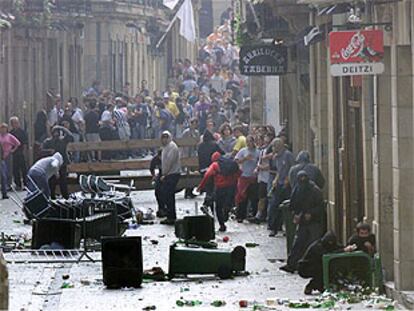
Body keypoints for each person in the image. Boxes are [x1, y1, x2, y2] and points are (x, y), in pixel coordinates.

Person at [280, 171, 324, 273]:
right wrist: (296, 214)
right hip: (303, 221)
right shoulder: (297, 189)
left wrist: (311, 213)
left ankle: (314, 267)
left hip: (314, 221)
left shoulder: (315, 190)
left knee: (314, 244)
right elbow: (293, 203)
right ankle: (292, 264)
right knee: (298, 243)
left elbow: (320, 207)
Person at [197, 151, 240, 232]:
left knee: (218, 207)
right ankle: (227, 211)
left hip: (220, 187)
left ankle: (222, 225)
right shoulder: (230, 163)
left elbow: (207, 175)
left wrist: (201, 186)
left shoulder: (215, 165)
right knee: (228, 203)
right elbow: (239, 172)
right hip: (231, 187)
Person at [267, 138, 295, 237]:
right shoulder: (277, 157)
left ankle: (288, 228)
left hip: (287, 185)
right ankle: (274, 228)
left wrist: (288, 178)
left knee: (287, 207)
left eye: (274, 146)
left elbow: (292, 168)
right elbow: (279, 170)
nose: (273, 149)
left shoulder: (287, 155)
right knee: (275, 206)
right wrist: (276, 179)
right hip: (279, 184)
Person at [42, 125, 74, 199]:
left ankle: (65, 197)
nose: (56, 134)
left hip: (62, 163)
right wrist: (49, 151)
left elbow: (71, 136)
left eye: (57, 132)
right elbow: (42, 151)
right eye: (54, 132)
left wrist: (62, 128)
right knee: (52, 181)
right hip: (51, 164)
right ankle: (52, 196)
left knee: (63, 181)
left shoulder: (63, 140)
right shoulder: (47, 141)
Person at [235, 135, 260, 222]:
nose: (249, 144)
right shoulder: (243, 151)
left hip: (253, 177)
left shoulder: (258, 152)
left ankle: (253, 215)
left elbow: (259, 162)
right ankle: (240, 215)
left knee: (253, 197)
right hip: (244, 176)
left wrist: (257, 169)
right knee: (242, 196)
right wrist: (245, 159)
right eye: (247, 142)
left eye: (250, 142)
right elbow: (237, 160)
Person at [159, 131, 181, 225]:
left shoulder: (172, 147)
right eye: (163, 137)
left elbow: (169, 162)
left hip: (172, 174)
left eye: (166, 137)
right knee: (167, 195)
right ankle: (170, 215)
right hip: (168, 174)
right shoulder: (165, 147)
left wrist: (165, 174)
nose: (164, 139)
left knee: (169, 196)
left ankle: (171, 216)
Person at [0, 123, 21, 199]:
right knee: (3, 174)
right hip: (1, 156)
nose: (3, 130)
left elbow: (18, 143)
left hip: (7, 155)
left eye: (4, 128)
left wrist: (12, 150)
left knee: (6, 172)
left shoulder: (9, 136)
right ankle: (4, 189)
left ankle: (7, 186)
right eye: (1, 128)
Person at [181, 118, 200, 199]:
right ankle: (187, 191)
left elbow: (197, 142)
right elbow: (183, 143)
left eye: (195, 123)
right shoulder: (186, 132)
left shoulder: (197, 132)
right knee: (187, 173)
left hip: (193, 154)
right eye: (193, 123)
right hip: (187, 153)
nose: (194, 125)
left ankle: (190, 190)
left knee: (194, 172)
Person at [9, 117, 28, 190]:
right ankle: (18, 184)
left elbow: (25, 142)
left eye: (17, 123)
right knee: (15, 168)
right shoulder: (11, 133)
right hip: (14, 152)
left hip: (21, 151)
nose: (16, 124)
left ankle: (26, 184)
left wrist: (25, 151)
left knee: (23, 168)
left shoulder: (22, 132)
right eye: (14, 123)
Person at [150, 149, 166, 218]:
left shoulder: (168, 158)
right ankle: (161, 208)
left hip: (168, 174)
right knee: (157, 191)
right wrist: (153, 176)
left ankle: (165, 208)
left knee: (165, 192)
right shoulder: (155, 159)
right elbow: (151, 168)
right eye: (160, 157)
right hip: (160, 174)